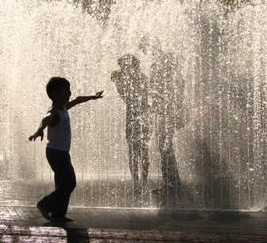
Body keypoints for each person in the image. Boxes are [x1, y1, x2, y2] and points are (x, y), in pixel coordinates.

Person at [28, 77, 103, 222]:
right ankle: (45, 204)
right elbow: (46, 119)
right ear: (55, 94)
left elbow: (78, 99)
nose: (69, 93)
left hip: (61, 152)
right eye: (66, 90)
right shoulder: (54, 112)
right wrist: (39, 130)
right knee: (70, 182)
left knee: (62, 184)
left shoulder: (63, 108)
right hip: (56, 153)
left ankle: (58, 214)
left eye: (69, 89)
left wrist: (93, 97)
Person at [141, 36, 185, 204]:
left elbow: (179, 83)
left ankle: (172, 183)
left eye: (146, 49)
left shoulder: (166, 60)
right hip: (162, 110)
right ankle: (171, 181)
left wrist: (176, 105)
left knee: (165, 145)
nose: (147, 53)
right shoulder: (157, 64)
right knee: (164, 146)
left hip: (169, 110)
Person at [111, 54, 153, 197]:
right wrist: (118, 80)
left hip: (143, 117)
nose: (123, 68)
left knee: (142, 150)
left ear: (132, 65)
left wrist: (118, 79)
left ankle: (143, 182)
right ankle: (137, 182)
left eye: (125, 65)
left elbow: (143, 97)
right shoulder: (125, 79)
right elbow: (126, 97)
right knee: (135, 151)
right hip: (134, 117)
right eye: (122, 66)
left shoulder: (140, 78)